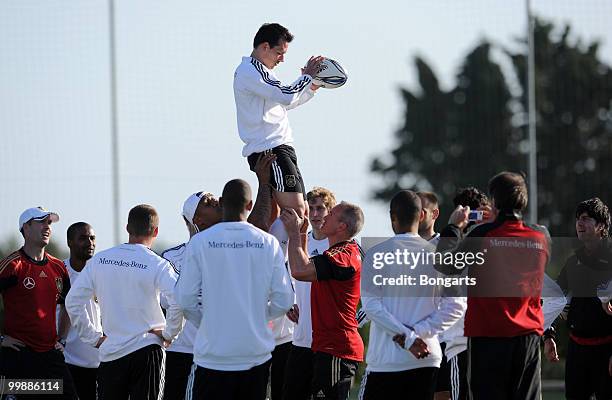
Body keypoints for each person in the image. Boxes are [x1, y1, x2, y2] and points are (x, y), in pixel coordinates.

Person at [176, 179, 294, 400]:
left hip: (213, 356)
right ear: (249, 206)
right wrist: (257, 317)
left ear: (222, 202)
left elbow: (184, 300)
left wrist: (208, 322)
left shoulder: (200, 242)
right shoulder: (268, 243)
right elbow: (284, 300)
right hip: (255, 357)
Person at [436, 172, 550, 400]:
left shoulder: (482, 234)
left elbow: (445, 264)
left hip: (488, 337)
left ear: (495, 201)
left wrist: (454, 228)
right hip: (527, 337)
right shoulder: (541, 236)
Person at [66, 204, 184, 400]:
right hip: (147, 350)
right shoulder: (158, 264)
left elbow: (72, 302)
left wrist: (93, 338)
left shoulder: (99, 261)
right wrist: (169, 333)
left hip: (111, 352)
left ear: (127, 228)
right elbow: (179, 300)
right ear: (155, 231)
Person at [359, 190, 465, 400]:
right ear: (421, 216)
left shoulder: (376, 255)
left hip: (386, 360)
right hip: (426, 356)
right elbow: (457, 306)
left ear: (392, 217)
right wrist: (419, 333)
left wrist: (408, 338)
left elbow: (371, 307)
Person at [234, 22, 323, 220]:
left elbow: (282, 105)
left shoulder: (262, 72)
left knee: (297, 213)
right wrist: (307, 77)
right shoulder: (250, 71)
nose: (282, 59)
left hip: (280, 148)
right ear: (264, 47)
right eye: (279, 53)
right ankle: (295, 253)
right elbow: (285, 95)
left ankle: (279, 251)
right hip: (271, 150)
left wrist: (311, 87)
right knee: (296, 213)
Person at [280, 201, 365, 400]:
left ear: (342, 226)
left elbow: (300, 270)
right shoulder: (340, 252)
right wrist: (301, 233)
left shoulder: (344, 255)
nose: (324, 216)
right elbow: (303, 265)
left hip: (337, 348)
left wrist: (293, 232)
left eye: (331, 214)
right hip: (326, 346)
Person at [0, 207, 78, 399]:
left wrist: (62, 339)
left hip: (50, 356)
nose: (47, 227)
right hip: (19, 355)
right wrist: (1, 339)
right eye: (41, 222)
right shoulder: (12, 265)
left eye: (49, 223)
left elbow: (66, 304)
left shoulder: (58, 267)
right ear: (26, 228)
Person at [544, 198, 612, 400]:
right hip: (577, 351)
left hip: (606, 350)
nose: (579, 224)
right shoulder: (573, 262)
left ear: (601, 226)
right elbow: (553, 298)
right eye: (577, 219)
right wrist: (549, 335)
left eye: (585, 219)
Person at [161, 191, 221, 400]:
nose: (216, 201)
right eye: (207, 202)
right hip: (180, 352)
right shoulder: (170, 257)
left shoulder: (232, 250)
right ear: (197, 219)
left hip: (218, 353)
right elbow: (163, 303)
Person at [434, 186, 490, 400]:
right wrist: (454, 229)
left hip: (485, 335)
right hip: (459, 337)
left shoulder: (493, 240)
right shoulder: (451, 243)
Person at [282, 187, 337, 400]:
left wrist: (352, 322)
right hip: (300, 340)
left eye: (320, 209)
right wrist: (288, 302)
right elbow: (284, 276)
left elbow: (367, 293)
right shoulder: (297, 242)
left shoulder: (341, 245)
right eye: (311, 208)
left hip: (329, 345)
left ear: (331, 212)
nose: (315, 214)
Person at [62, 222, 100, 400]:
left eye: (92, 238)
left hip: (100, 361)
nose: (89, 243)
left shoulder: (103, 273)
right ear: (70, 242)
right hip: (66, 361)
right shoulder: (58, 272)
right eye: (83, 238)